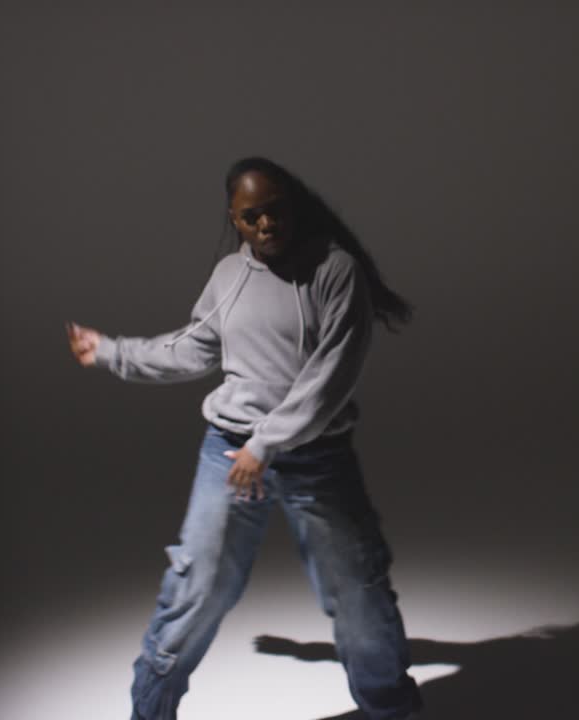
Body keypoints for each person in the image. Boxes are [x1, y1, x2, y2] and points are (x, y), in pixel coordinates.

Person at [65, 156, 424, 720]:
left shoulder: (335, 270)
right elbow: (192, 347)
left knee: (358, 595)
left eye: (274, 211)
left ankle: (391, 710)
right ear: (235, 220)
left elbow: (328, 379)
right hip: (228, 452)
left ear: (292, 206)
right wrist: (112, 352)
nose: (265, 225)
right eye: (250, 217)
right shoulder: (230, 277)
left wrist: (266, 445)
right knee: (196, 587)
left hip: (316, 458)